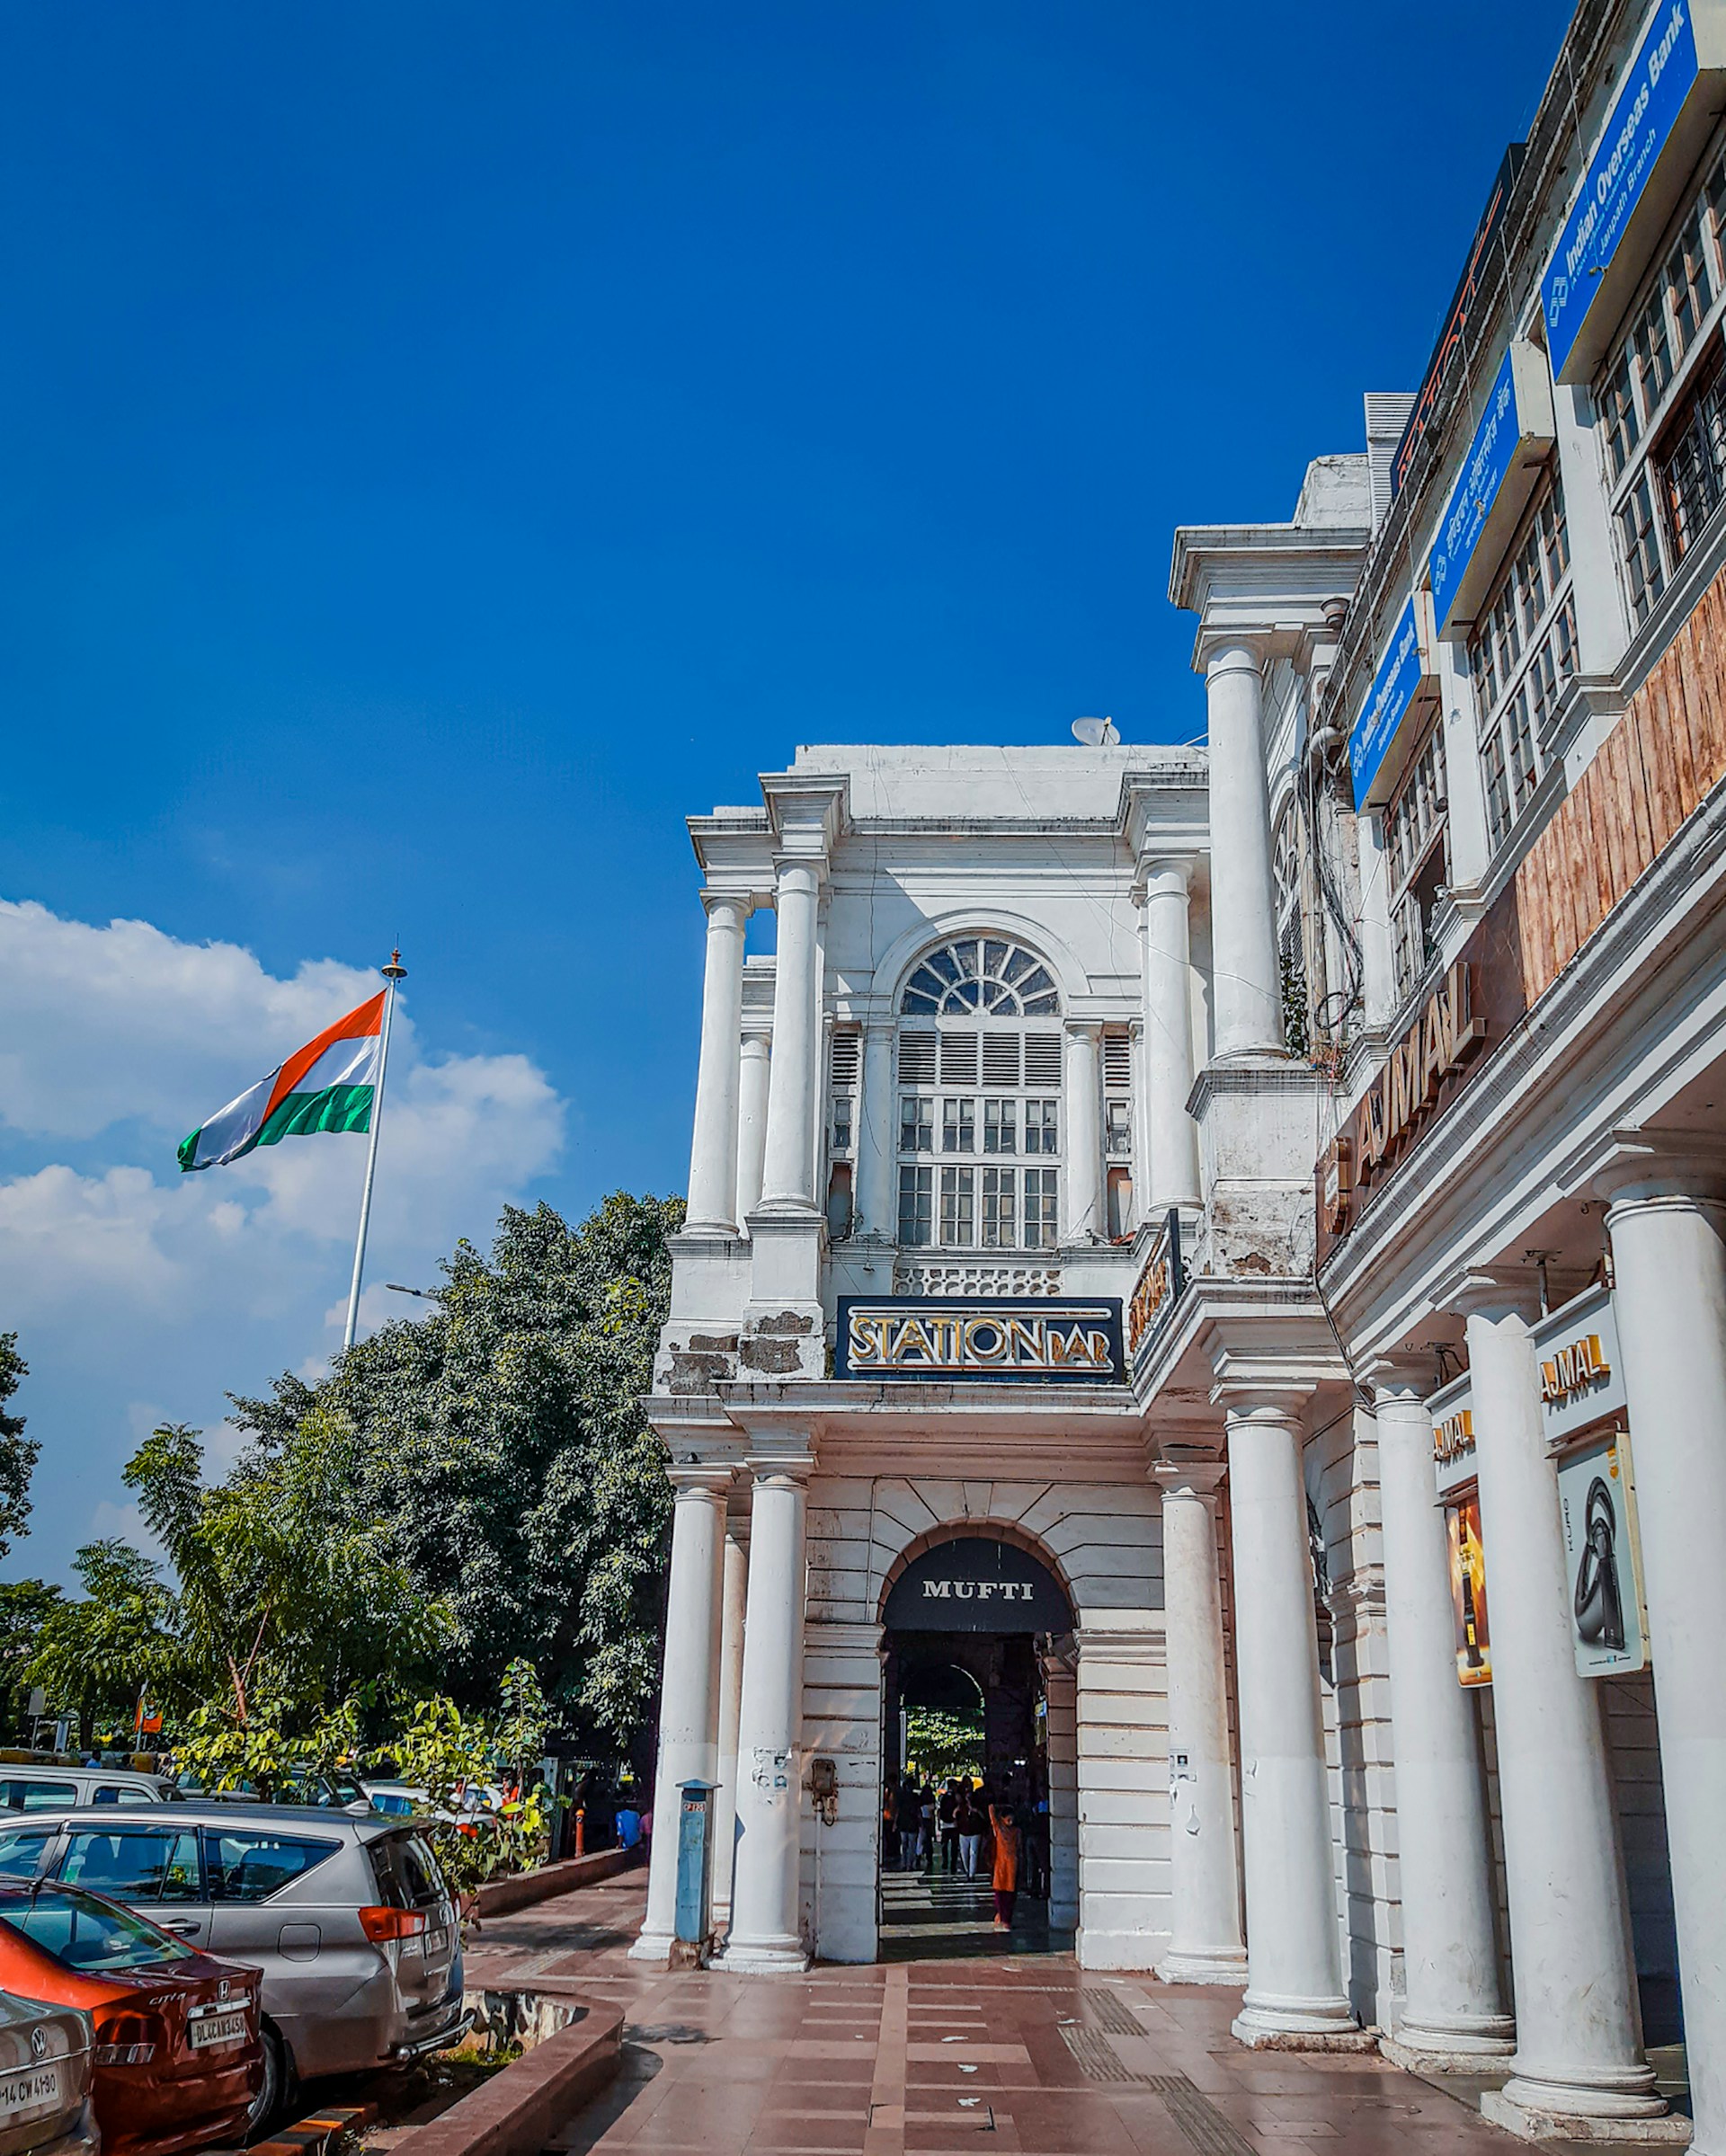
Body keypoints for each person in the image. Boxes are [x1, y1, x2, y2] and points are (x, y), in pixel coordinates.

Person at [989, 1801, 1020, 1930]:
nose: (1010, 1820)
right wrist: (1000, 1806)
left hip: (1012, 1864)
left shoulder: (1017, 1831)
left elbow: (1019, 1847)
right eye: (1008, 1818)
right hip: (1001, 1864)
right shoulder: (999, 1828)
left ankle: (1006, 1918)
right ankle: (1001, 1915)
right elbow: (991, 1809)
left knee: (1010, 1894)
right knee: (1000, 1893)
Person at [956, 1786, 983, 1879]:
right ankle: (967, 1871)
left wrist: (976, 1811)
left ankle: (972, 1874)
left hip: (975, 1832)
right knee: (964, 1854)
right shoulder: (961, 1807)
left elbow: (984, 1817)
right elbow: (955, 1816)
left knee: (974, 1852)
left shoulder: (978, 1806)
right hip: (963, 1832)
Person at [938, 1782, 960, 1873]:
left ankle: (945, 1862)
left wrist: (939, 1823)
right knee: (954, 1846)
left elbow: (939, 1811)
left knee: (944, 1845)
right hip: (954, 1824)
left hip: (945, 1824)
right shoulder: (956, 1797)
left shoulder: (943, 1797)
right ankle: (953, 1864)